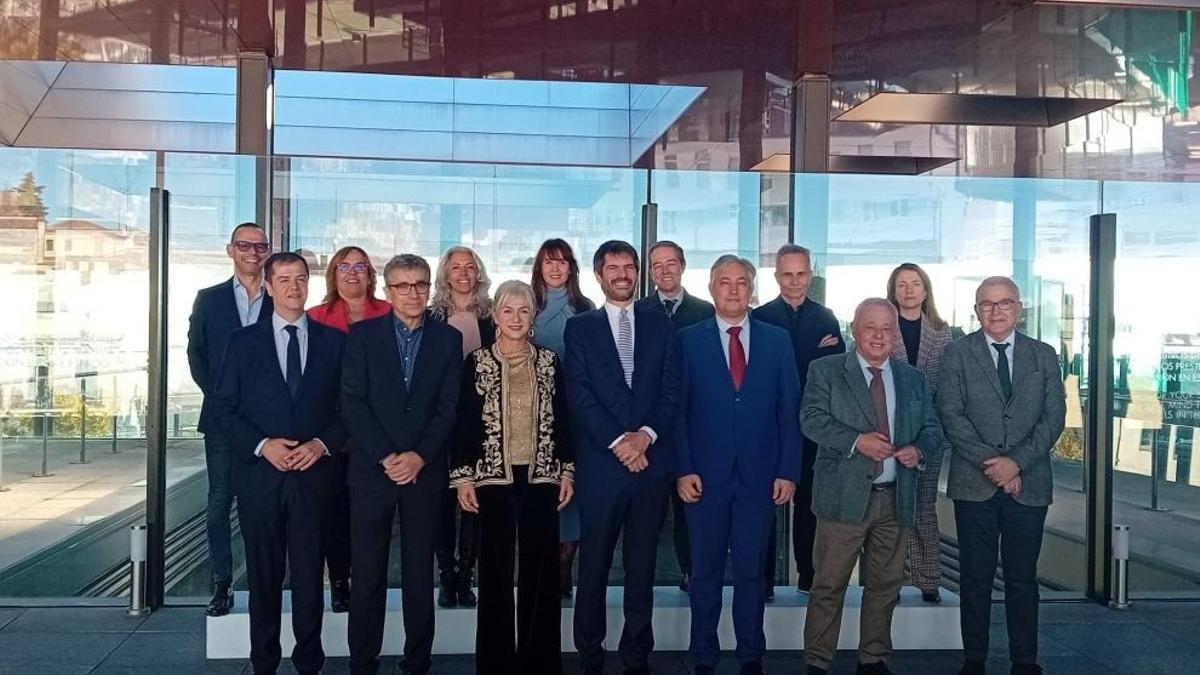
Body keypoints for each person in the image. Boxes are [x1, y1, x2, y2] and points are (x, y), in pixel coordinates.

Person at [210, 251, 347, 675]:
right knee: (264, 578)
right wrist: (262, 444)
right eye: (284, 280)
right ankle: (264, 662)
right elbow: (223, 410)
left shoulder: (335, 342)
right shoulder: (242, 342)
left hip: (314, 477)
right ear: (268, 286)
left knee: (309, 578)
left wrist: (322, 444)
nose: (293, 287)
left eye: (301, 279)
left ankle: (309, 662)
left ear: (310, 284)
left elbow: (350, 410)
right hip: (260, 479)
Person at [800, 298, 944, 675]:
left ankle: (874, 660)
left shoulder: (912, 378)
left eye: (886, 328)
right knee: (828, 586)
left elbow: (932, 428)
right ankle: (817, 662)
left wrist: (919, 449)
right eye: (870, 327)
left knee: (885, 587)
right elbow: (811, 419)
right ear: (854, 328)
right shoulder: (826, 370)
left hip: (895, 499)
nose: (879, 336)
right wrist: (855, 440)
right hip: (843, 500)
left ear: (895, 333)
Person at [675, 254, 800, 675]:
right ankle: (703, 657)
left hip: (760, 478)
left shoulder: (777, 340)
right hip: (703, 478)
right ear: (711, 289)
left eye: (741, 282)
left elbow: (789, 412)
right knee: (704, 573)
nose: (733, 289)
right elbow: (677, 412)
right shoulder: (688, 339)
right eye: (724, 282)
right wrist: (683, 468)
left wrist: (788, 471)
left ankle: (751, 656)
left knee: (752, 574)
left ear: (751, 289)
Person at [341, 254, 463, 675]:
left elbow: (449, 407)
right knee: (368, 573)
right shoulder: (361, 336)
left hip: (424, 472)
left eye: (420, 285)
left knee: (418, 574)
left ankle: (417, 661)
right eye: (403, 286)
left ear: (430, 288)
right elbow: (352, 402)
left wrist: (419, 456)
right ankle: (362, 662)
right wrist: (387, 456)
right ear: (387, 291)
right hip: (373, 471)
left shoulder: (448, 340)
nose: (413, 293)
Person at [938, 277, 1065, 675]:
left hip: (1028, 485)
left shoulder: (1043, 355)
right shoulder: (956, 353)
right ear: (976, 310)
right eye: (987, 304)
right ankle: (973, 659)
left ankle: (1024, 660)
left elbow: (1054, 417)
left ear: (1019, 308)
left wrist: (1017, 463)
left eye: (1004, 303)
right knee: (974, 578)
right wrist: (994, 464)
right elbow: (950, 415)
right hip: (974, 483)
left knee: (1022, 579)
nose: (996, 310)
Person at [565, 240, 681, 675]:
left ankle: (636, 654)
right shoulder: (581, 327)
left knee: (642, 567)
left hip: (648, 467)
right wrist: (620, 442)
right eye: (613, 267)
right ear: (599, 275)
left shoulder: (659, 323)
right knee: (592, 566)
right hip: (602, 467)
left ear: (638, 273)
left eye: (629, 267)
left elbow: (672, 390)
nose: (622, 274)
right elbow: (579, 394)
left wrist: (645, 438)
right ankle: (589, 655)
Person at [450, 280, 575, 675]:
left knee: (542, 573)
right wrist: (463, 477)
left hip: (542, 476)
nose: (516, 318)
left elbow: (565, 422)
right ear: (496, 316)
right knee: (495, 572)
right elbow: (463, 423)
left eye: (523, 311)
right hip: (492, 478)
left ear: (532, 315)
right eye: (508, 311)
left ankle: (540, 663)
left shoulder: (550, 362)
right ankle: (496, 663)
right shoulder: (477, 362)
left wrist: (567, 470)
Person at [186, 221, 274, 617]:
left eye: (259, 246)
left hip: (271, 423)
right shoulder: (209, 299)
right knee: (220, 500)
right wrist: (224, 401)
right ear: (230, 250)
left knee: (267, 503)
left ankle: (267, 580)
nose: (252, 252)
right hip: (222, 421)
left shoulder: (281, 297)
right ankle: (221, 584)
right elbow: (196, 356)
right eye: (244, 245)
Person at [752, 244, 844, 597]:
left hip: (814, 426)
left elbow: (837, 376)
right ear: (777, 277)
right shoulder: (758, 318)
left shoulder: (827, 318)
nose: (794, 281)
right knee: (764, 503)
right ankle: (764, 580)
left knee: (809, 503)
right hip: (768, 425)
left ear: (810, 275)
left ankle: (808, 574)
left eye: (801, 274)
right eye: (787, 274)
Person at [306, 245, 392, 614]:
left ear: (370, 274)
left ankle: (372, 582)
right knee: (334, 513)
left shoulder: (390, 312)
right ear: (333, 275)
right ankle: (339, 580)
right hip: (331, 435)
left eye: (361, 266)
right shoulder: (315, 317)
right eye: (345, 266)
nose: (353, 273)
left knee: (373, 516)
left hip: (378, 433)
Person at [633, 240, 715, 593]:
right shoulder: (636, 311)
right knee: (646, 511)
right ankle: (641, 575)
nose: (664, 271)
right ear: (650, 273)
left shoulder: (705, 310)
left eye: (671, 264)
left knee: (689, 505)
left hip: (692, 421)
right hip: (647, 424)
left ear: (682, 267)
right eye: (656, 265)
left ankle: (690, 571)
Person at [429, 245, 496, 609]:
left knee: (475, 500)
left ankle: (467, 575)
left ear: (478, 273)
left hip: (482, 420)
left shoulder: (492, 316)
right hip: (440, 419)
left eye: (470, 267)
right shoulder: (430, 317)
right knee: (442, 498)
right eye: (456, 267)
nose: (464, 273)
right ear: (446, 274)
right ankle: (446, 575)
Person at [886, 262, 956, 603]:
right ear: (893, 291)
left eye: (915, 284)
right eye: (902, 284)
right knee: (892, 509)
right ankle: (893, 579)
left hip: (929, 433)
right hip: (890, 432)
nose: (909, 290)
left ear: (926, 291)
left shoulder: (942, 333)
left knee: (923, 507)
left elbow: (948, 389)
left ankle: (929, 578)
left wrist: (934, 433)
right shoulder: (883, 328)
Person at [529, 238, 595, 598]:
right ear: (539, 267)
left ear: (572, 268)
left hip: (575, 416)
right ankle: (540, 568)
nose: (555, 268)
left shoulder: (586, 309)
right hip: (531, 419)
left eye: (563, 262)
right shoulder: (526, 307)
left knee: (572, 495)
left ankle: (565, 567)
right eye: (548, 262)